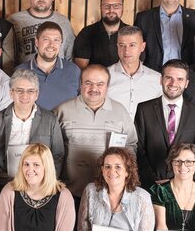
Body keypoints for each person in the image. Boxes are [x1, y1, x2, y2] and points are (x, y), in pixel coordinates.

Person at [54, 64, 137, 201]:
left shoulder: (120, 112)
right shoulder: (62, 110)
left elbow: (130, 146)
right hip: (68, 192)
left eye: (100, 84)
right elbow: (51, 150)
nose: (94, 89)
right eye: (88, 83)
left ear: (107, 87)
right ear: (80, 84)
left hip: (107, 193)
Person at [0, 69, 64, 188]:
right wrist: (12, 182)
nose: (25, 95)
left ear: (37, 94)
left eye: (30, 91)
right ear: (11, 93)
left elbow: (58, 156)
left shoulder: (50, 120)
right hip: (5, 186)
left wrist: (41, 182)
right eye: (19, 90)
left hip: (40, 188)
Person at [134, 59, 195, 190]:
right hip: (150, 186)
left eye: (180, 79)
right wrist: (152, 180)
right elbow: (138, 149)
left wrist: (181, 180)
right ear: (161, 80)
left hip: (184, 187)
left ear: (186, 83)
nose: (173, 83)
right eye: (169, 78)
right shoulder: (144, 109)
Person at [14, 21, 81, 110]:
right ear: (36, 42)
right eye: (46, 39)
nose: (51, 45)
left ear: (61, 43)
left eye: (56, 40)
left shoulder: (74, 71)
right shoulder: (20, 72)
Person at [7, 0, 75, 64]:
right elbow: (8, 55)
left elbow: (70, 55)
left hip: (56, 74)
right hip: (24, 74)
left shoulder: (63, 22)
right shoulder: (14, 20)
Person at [107, 26, 162, 118]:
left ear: (142, 47)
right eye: (122, 45)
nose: (126, 51)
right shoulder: (104, 76)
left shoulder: (157, 79)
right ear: (117, 47)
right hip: (112, 131)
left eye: (132, 45)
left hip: (145, 132)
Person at [73, 0, 128, 69]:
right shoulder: (87, 33)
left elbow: (136, 64)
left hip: (125, 80)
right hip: (95, 80)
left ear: (122, 8)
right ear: (100, 7)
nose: (111, 10)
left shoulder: (132, 34)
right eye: (106, 6)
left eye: (116, 6)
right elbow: (82, 69)